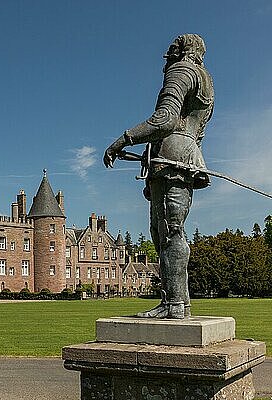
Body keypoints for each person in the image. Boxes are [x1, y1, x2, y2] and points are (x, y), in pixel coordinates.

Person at [103, 34, 214, 319]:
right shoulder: (205, 79)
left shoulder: (183, 71)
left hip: (171, 159)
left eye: (170, 52)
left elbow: (164, 119)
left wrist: (123, 140)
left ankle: (173, 304)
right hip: (181, 155)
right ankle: (181, 302)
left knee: (169, 231)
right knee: (166, 231)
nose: (166, 58)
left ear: (180, 52)